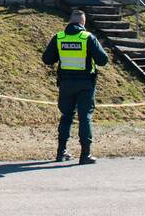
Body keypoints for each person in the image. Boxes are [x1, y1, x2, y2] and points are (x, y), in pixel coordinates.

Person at [42, 9, 109, 164]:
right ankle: (85, 154)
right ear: (83, 22)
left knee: (66, 116)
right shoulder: (88, 38)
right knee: (85, 117)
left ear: (70, 21)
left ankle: (61, 152)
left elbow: (47, 59)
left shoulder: (59, 37)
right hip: (86, 84)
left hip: (65, 84)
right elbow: (103, 60)